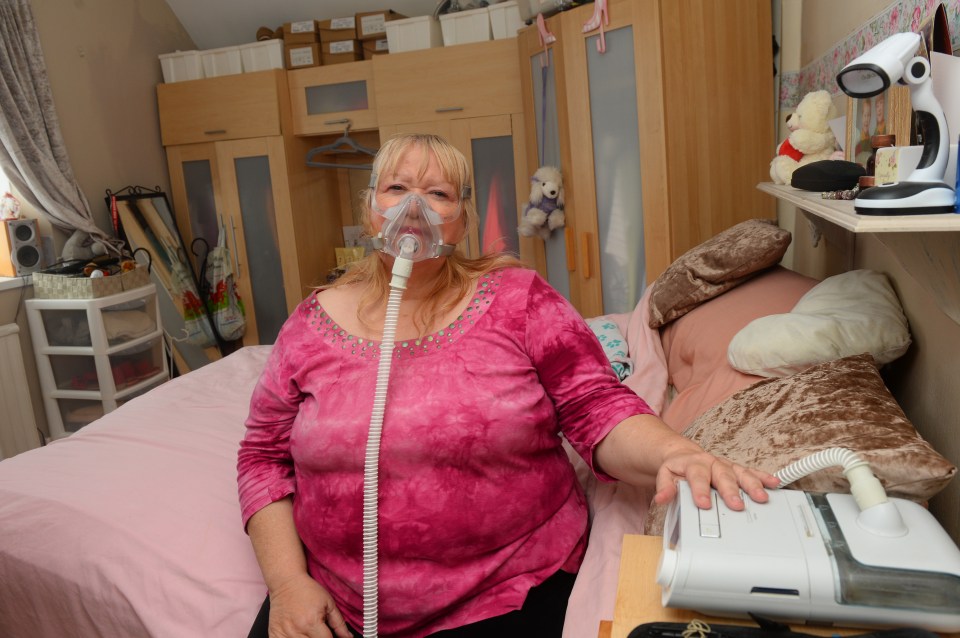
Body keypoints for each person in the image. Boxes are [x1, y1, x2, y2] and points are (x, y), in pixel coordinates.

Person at [237, 133, 779, 638]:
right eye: (397, 189)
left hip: (508, 589)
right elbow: (261, 456)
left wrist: (674, 453)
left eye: (438, 193)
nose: (414, 208)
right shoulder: (309, 325)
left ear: (463, 219)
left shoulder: (517, 300)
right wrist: (287, 584)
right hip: (334, 600)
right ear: (368, 209)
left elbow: (595, 406)